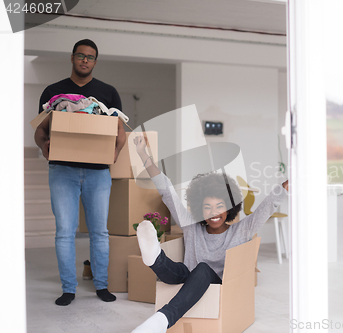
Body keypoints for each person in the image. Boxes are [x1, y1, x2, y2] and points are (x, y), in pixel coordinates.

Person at [131, 134, 289, 333]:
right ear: (199, 209)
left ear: (229, 207)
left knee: (203, 269)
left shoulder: (242, 230)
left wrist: (285, 187)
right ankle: (154, 257)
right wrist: (143, 154)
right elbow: (167, 191)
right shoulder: (191, 227)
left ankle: (162, 320)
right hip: (185, 278)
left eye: (219, 206)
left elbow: (265, 209)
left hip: (214, 284)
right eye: (208, 207)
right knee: (180, 270)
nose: (214, 213)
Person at [34, 39, 126, 306]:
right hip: (62, 170)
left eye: (90, 57)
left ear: (95, 61)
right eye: (80, 56)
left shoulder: (108, 93)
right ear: (72, 57)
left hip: (98, 172)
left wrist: (115, 154)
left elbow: (119, 132)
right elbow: (40, 130)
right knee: (65, 231)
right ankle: (68, 289)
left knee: (99, 232)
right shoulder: (54, 92)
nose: (85, 60)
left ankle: (101, 285)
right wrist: (44, 146)